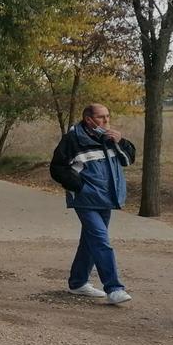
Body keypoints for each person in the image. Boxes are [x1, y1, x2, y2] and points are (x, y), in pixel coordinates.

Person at [49, 103, 136, 304]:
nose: (106, 120)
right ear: (89, 119)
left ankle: (78, 283)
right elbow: (57, 168)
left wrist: (121, 141)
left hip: (106, 199)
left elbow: (128, 160)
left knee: (90, 240)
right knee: (100, 240)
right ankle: (114, 288)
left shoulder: (110, 138)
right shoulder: (73, 139)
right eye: (101, 117)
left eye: (108, 116)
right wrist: (80, 187)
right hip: (85, 199)